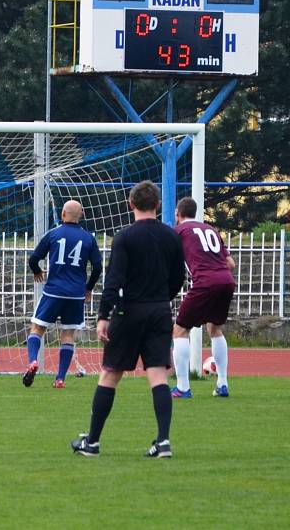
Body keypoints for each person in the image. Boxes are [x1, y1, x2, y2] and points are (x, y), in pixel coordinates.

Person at [71, 181, 185, 458]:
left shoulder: (124, 237)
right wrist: (162, 298)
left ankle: (93, 443)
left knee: (110, 373)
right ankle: (163, 442)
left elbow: (114, 281)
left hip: (129, 311)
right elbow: (178, 278)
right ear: (157, 205)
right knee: (158, 374)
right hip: (160, 310)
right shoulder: (172, 236)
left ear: (130, 204)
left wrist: (102, 316)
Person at [24, 200, 102, 388]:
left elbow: (34, 259)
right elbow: (98, 267)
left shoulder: (53, 234)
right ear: (80, 215)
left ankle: (33, 361)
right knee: (68, 335)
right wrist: (88, 288)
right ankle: (60, 378)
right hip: (75, 294)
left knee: (37, 328)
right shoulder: (88, 238)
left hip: (53, 291)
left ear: (63, 214)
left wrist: (36, 271)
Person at [171, 197, 236, 398]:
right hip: (226, 281)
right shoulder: (211, 230)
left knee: (180, 330)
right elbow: (231, 263)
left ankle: (182, 387)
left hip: (205, 282)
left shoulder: (179, 231)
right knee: (214, 328)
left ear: (177, 214)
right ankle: (222, 384)